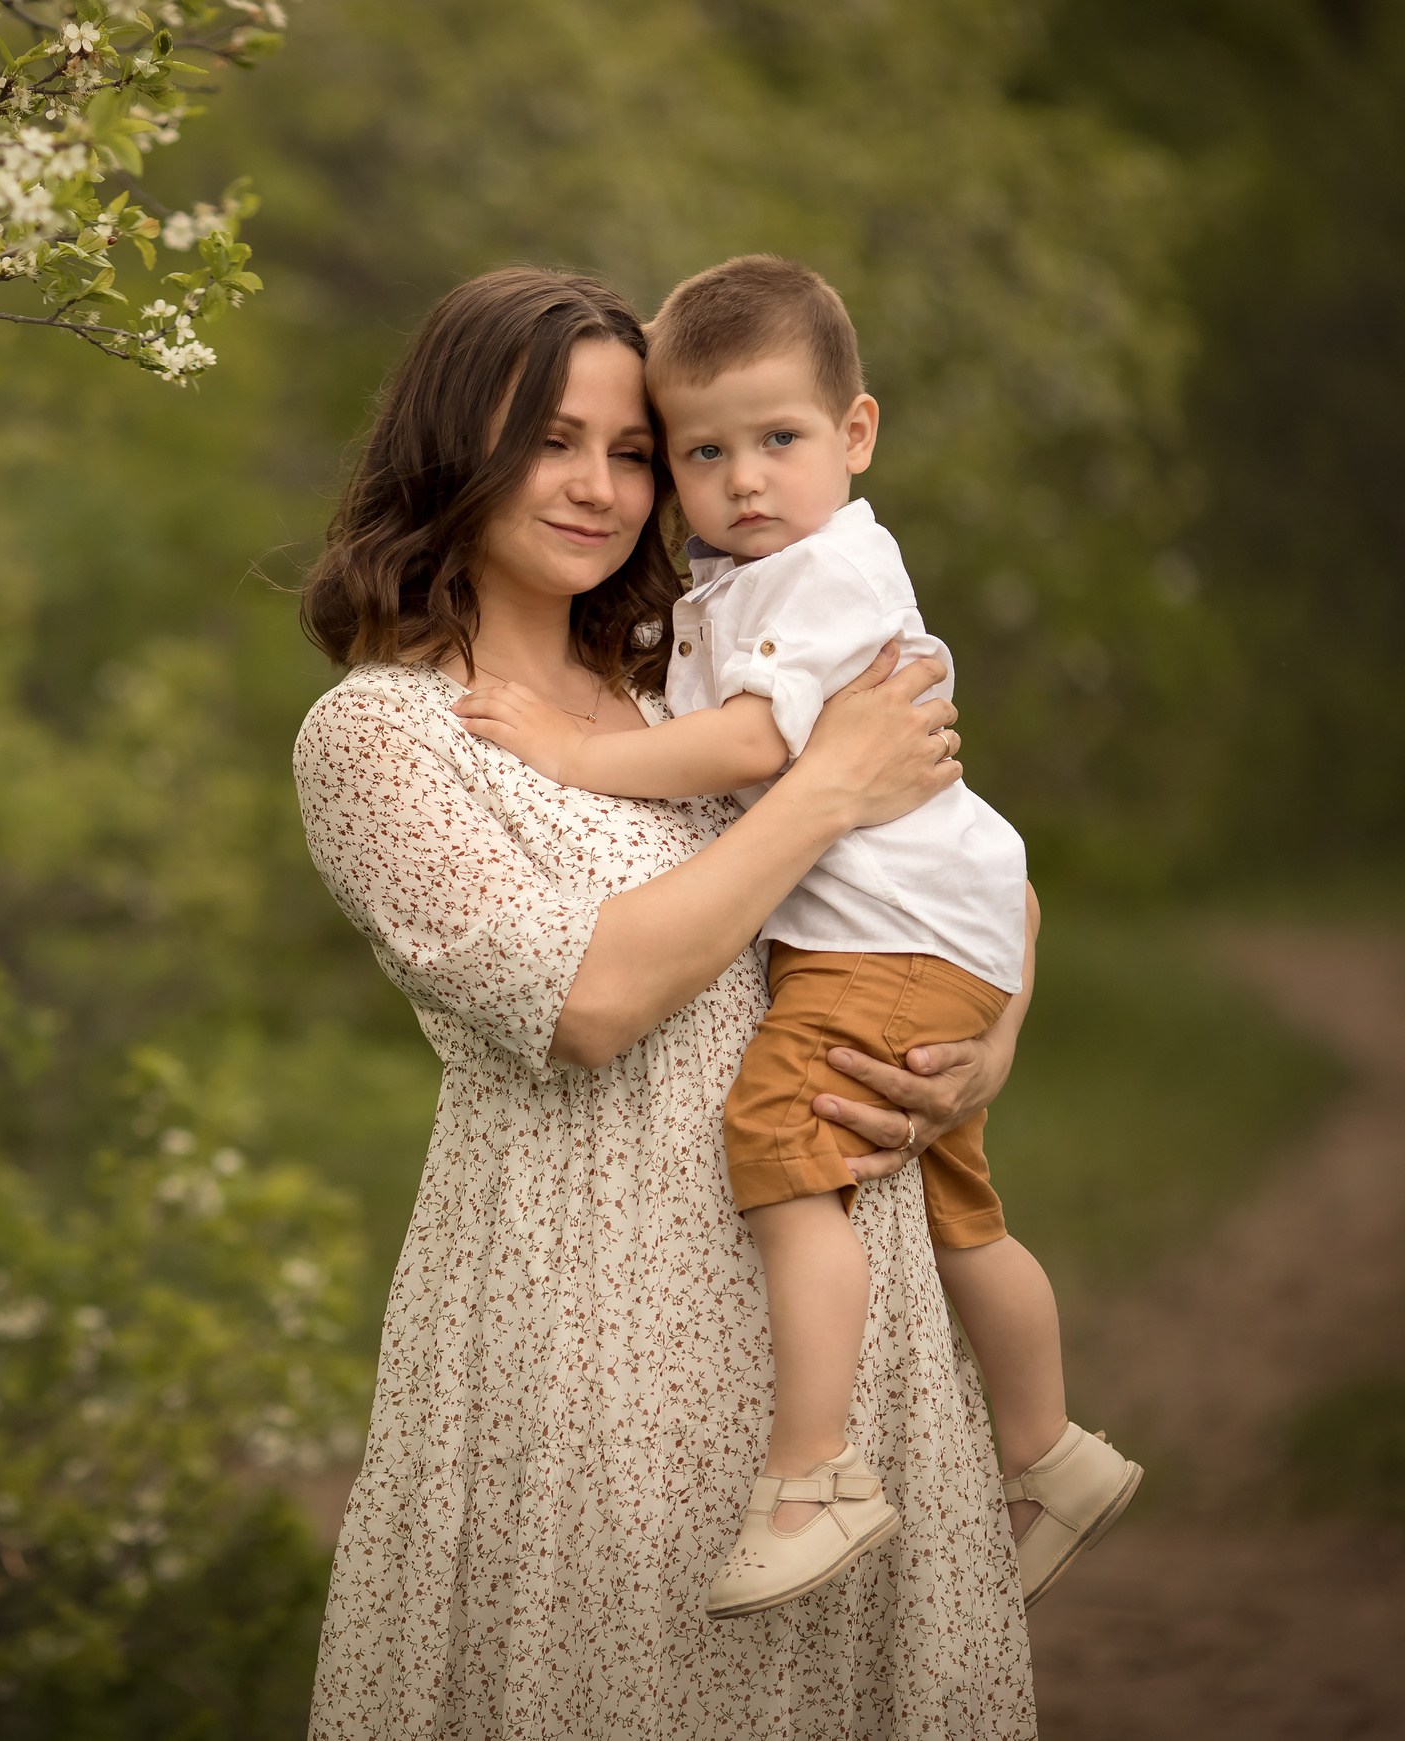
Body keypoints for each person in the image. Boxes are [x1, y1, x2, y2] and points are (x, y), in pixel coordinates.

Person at [294, 266, 1033, 1736]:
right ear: (455, 452)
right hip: (586, 1343)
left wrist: (981, 1055)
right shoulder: (383, 736)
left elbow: (973, 866)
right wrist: (823, 786)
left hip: (824, 1326)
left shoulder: (683, 682)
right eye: (549, 441)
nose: (600, 487)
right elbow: (590, 997)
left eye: (634, 451)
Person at [450, 255, 1139, 1621]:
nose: (741, 479)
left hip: (877, 951)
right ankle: (1052, 1447)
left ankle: (813, 1475)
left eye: (776, 441)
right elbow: (589, 998)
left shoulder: (816, 577)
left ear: (857, 434)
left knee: (780, 1131)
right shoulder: (714, 601)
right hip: (914, 933)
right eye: (700, 451)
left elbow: (769, 745)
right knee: (957, 1207)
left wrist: (575, 750)